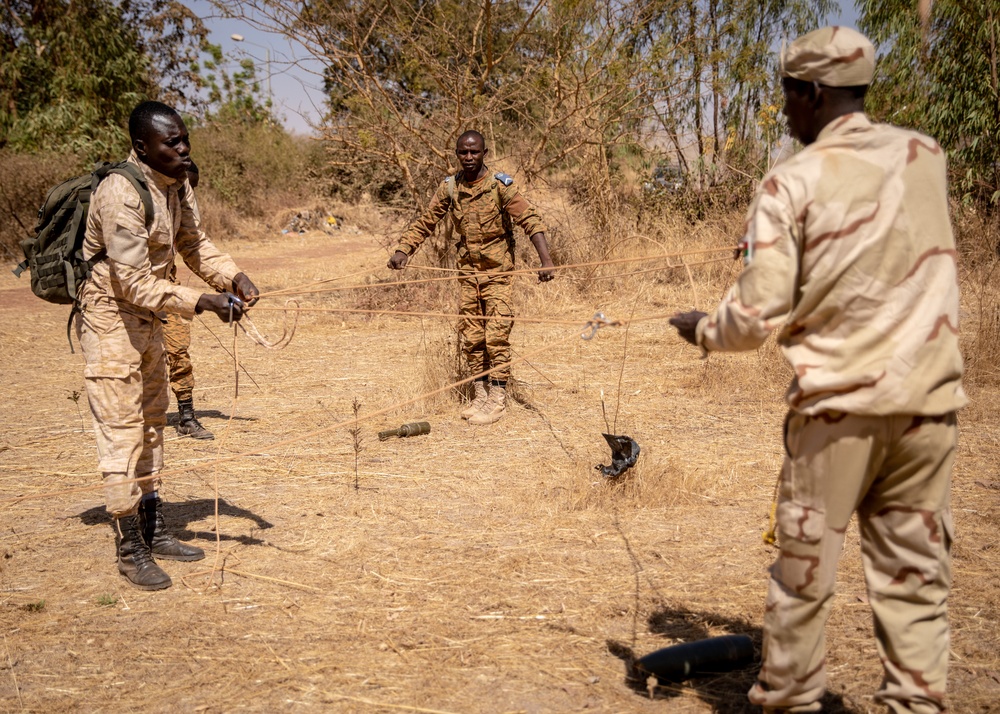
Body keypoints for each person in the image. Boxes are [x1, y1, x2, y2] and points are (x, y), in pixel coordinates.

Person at [669, 27, 965, 713]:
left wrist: (704, 332)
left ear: (810, 93)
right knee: (916, 583)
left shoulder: (792, 180)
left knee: (802, 581)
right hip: (930, 406)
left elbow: (756, 314)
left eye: (786, 97)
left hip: (840, 410)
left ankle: (792, 701)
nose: (783, 111)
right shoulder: (925, 155)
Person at [77, 100, 260, 590]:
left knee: (154, 419)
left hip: (151, 318)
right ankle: (128, 544)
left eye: (184, 139)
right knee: (121, 431)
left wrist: (234, 276)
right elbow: (132, 283)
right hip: (111, 321)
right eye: (171, 142)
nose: (183, 149)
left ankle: (153, 525)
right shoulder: (121, 194)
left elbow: (195, 243)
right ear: (142, 147)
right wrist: (203, 301)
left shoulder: (176, 184)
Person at [387, 130, 555, 425]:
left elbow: (530, 220)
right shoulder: (451, 188)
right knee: (473, 336)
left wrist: (546, 260)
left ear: (484, 152)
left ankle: (498, 400)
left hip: (498, 275)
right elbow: (427, 221)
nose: (468, 158)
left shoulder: (500, 187)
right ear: (456, 154)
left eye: (474, 152)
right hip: (468, 275)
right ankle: (480, 395)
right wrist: (404, 250)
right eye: (463, 153)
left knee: (497, 335)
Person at [162, 161, 215, 440]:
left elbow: (193, 246)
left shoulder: (178, 202)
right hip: (130, 294)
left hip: (167, 287)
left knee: (178, 349)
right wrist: (198, 300)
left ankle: (186, 417)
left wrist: (229, 280)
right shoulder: (133, 197)